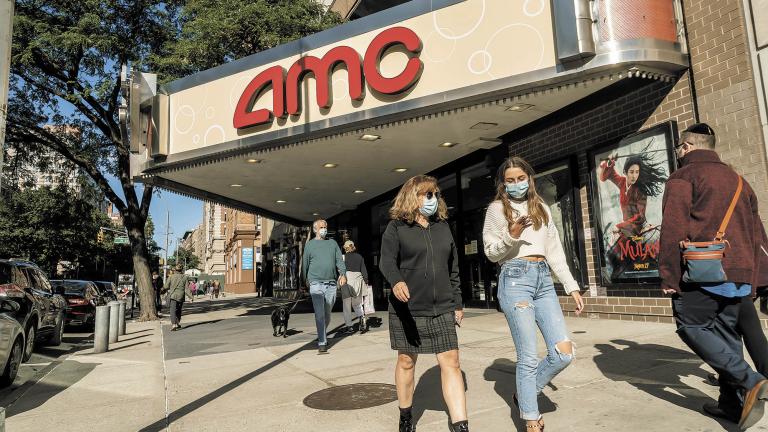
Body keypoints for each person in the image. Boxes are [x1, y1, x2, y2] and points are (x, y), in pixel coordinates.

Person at [660, 123, 767, 429]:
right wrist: (756, 278)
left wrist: (669, 276)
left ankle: (750, 381)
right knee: (727, 334)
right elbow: (757, 234)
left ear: (688, 147)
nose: (679, 153)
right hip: (740, 272)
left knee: (691, 326)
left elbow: (673, 230)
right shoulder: (739, 180)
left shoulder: (683, 176)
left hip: (701, 271)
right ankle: (731, 406)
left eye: (680, 148)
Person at [482, 156, 584, 432]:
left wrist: (571, 285)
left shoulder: (542, 208)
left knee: (563, 353)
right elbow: (491, 254)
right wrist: (511, 235)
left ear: (530, 179)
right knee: (527, 356)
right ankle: (531, 419)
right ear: (503, 185)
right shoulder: (496, 210)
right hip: (515, 280)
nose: (517, 184)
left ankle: (524, 393)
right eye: (510, 181)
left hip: (544, 280)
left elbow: (554, 251)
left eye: (521, 178)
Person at [380, 175, 468, 432]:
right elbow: (386, 261)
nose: (434, 199)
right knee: (407, 360)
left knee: (451, 360)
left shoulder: (442, 227)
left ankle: (460, 425)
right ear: (413, 196)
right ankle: (406, 416)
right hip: (408, 307)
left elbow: (453, 267)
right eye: (428, 194)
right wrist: (396, 282)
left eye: (436, 195)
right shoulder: (396, 227)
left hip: (442, 306)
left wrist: (458, 302)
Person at [301, 219, 347, 354]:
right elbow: (305, 264)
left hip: (331, 284)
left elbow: (339, 260)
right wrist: (305, 281)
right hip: (315, 283)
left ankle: (322, 332)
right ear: (315, 229)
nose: (324, 229)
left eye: (325, 227)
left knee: (327, 314)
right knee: (319, 313)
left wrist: (343, 274)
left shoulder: (332, 243)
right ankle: (322, 342)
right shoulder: (310, 245)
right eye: (321, 227)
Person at [599, 152, 666, 237]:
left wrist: (620, 226)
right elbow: (604, 177)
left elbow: (640, 216)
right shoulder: (622, 182)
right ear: (625, 172)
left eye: (637, 172)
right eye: (631, 172)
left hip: (637, 229)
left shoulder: (640, 191)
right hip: (626, 228)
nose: (634, 176)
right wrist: (609, 163)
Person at [341, 240, 369, 334]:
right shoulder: (359, 257)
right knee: (357, 304)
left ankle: (349, 327)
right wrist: (366, 281)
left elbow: (340, 270)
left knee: (347, 305)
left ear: (345, 248)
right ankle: (362, 318)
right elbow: (363, 270)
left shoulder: (343, 257)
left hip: (347, 281)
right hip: (358, 280)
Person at [166, 266, 192, 331]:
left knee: (173, 310)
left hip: (173, 296)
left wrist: (163, 290)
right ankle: (177, 323)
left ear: (175, 270)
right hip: (181, 296)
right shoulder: (185, 277)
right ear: (181, 270)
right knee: (179, 310)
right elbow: (187, 288)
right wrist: (191, 297)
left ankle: (174, 324)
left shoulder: (171, 277)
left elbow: (166, 286)